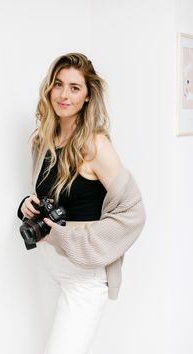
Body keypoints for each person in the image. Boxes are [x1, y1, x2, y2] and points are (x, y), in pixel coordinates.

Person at [17, 52, 146, 354]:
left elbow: (133, 213)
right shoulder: (43, 140)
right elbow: (52, 197)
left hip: (83, 275)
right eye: (58, 84)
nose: (63, 95)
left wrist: (66, 236)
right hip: (48, 266)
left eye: (75, 88)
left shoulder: (95, 145)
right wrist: (26, 204)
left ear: (88, 96)